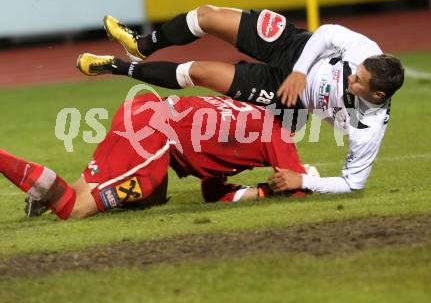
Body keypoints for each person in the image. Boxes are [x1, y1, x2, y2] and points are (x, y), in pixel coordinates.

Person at [77, 5, 405, 194]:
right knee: (207, 16)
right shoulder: (367, 51)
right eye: (354, 71)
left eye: (357, 80)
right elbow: (326, 33)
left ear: (377, 95)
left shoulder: (369, 127)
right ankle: (142, 43)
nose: (350, 77)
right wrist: (302, 70)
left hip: (286, 98)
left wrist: (302, 179)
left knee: (200, 72)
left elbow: (353, 183)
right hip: (294, 46)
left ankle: (117, 67)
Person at [1, 92, 313, 220]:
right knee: (73, 208)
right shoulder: (277, 132)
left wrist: (260, 191)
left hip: (144, 114)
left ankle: (48, 190)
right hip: (151, 137)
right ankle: (47, 189)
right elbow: (297, 187)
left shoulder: (248, 112)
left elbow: (212, 190)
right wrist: (311, 178)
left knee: (152, 198)